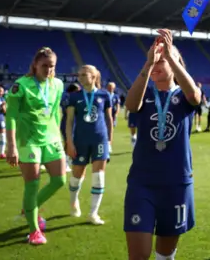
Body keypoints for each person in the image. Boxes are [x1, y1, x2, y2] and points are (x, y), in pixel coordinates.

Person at [124, 29, 201, 260]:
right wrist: (149, 64)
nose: (159, 61)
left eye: (164, 58)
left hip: (176, 184)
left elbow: (195, 97)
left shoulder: (185, 93)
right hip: (142, 183)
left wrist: (172, 57)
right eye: (156, 57)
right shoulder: (144, 93)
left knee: (165, 256)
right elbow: (130, 105)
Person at [5, 47, 67, 245]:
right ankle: (34, 231)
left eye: (52, 66)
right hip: (28, 141)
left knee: (59, 181)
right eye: (44, 66)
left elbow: (55, 112)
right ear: (35, 65)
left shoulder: (58, 84)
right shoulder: (20, 85)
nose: (48, 70)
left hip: (51, 139)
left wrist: (60, 138)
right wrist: (11, 146)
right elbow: (11, 116)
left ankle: (30, 208)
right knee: (32, 185)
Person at [65, 65, 113, 225]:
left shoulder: (105, 95)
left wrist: (109, 141)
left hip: (100, 139)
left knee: (99, 175)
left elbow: (109, 119)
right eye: (79, 75)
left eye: (84, 74)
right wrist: (69, 142)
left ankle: (93, 213)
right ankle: (73, 201)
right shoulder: (74, 96)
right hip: (80, 141)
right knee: (77, 174)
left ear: (94, 76)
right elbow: (69, 121)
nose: (81, 77)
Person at [61, 82, 81, 172]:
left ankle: (68, 161)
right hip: (69, 122)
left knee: (70, 142)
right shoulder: (71, 99)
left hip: (69, 121)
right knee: (68, 142)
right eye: (77, 90)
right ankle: (65, 163)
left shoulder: (65, 97)